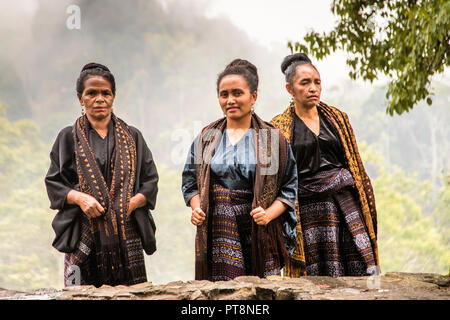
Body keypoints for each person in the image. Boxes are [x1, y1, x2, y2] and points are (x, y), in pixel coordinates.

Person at [181, 59, 298, 281]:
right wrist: (196, 208)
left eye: (237, 93)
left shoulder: (271, 139)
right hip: (218, 229)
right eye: (224, 94)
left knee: (263, 292)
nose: (230, 100)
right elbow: (189, 183)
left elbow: (289, 188)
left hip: (259, 229)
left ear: (253, 97)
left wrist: (268, 214)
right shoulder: (207, 137)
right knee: (223, 292)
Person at [45, 63, 159, 287]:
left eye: (105, 93)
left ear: (113, 96)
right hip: (83, 229)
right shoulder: (68, 137)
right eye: (92, 93)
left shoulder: (133, 136)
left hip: (127, 232)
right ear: (80, 98)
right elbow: (54, 182)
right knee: (80, 291)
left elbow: (150, 181)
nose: (99, 99)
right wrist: (81, 198)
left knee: (132, 292)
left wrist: (133, 202)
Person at [271, 53, 379, 277]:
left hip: (345, 204)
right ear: (290, 89)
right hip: (307, 213)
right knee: (315, 276)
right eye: (305, 83)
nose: (313, 88)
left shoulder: (338, 118)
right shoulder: (277, 128)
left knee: (360, 266)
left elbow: (355, 165)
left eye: (317, 82)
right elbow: (274, 182)